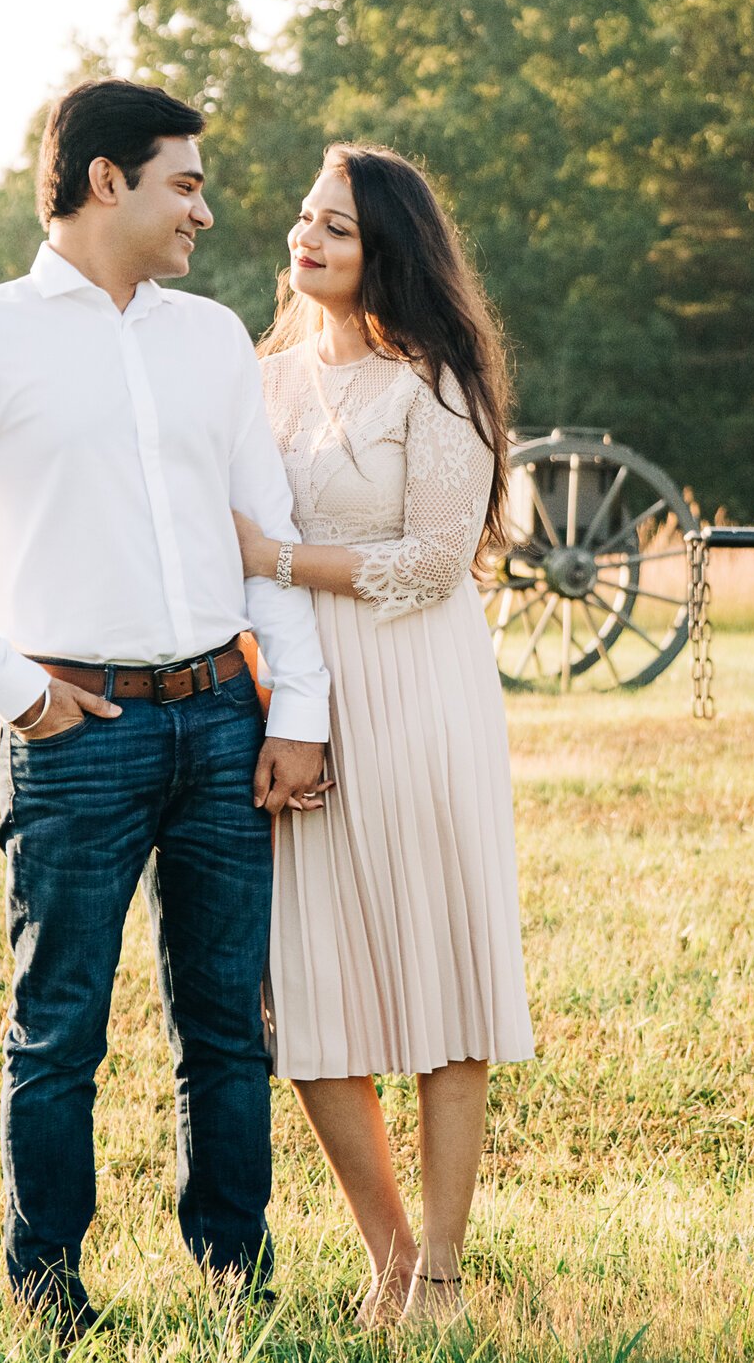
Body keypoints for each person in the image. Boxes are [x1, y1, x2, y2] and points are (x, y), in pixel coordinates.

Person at [0, 79, 332, 1341]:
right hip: (78, 736)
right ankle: (49, 1287)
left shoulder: (212, 338)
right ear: (104, 180)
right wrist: (16, 692)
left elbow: (267, 536)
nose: (207, 209)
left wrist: (299, 712)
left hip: (224, 714)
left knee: (228, 1024)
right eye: (184, 181)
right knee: (58, 1026)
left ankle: (236, 1271)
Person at [232, 143, 534, 1328]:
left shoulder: (435, 384)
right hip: (299, 698)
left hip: (418, 691)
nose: (306, 238)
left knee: (436, 971)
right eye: (305, 217)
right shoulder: (258, 380)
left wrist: (282, 561)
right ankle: (389, 1252)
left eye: (337, 229)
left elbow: (432, 561)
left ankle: (446, 1272)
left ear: (388, 256)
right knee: (310, 993)